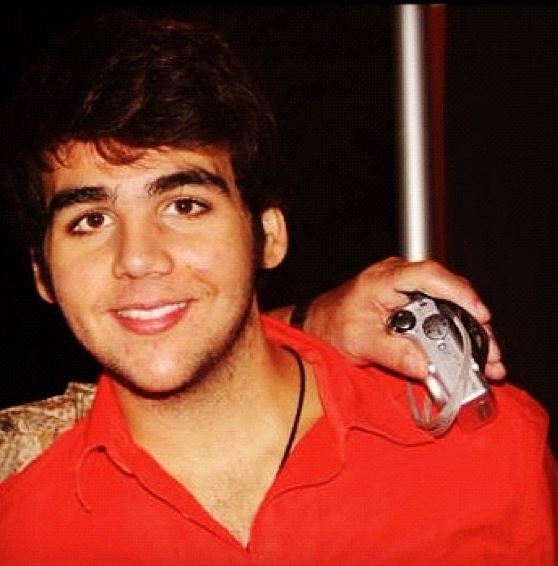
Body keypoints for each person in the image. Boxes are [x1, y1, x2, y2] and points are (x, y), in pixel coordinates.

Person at [0, 11, 554, 565]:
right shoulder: (22, 531)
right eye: (90, 220)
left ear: (268, 235)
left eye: (184, 205)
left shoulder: (486, 453)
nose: (139, 259)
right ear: (42, 273)